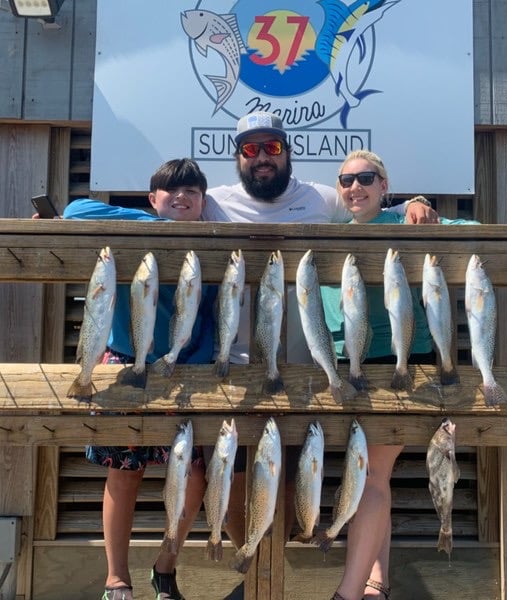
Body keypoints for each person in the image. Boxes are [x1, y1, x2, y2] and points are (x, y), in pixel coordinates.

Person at [202, 114, 441, 597]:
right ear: (237, 157)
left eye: (270, 146)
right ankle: (252, 572)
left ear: (287, 151)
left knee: (302, 482)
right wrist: (62, 218)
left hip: (306, 368)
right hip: (230, 367)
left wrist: (416, 203)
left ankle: (328, 579)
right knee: (231, 485)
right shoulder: (213, 203)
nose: (262, 157)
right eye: (250, 150)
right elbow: (160, 213)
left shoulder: (322, 198)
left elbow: (375, 210)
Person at [323, 150, 479, 600]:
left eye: (366, 178)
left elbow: (474, 234)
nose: (355, 187)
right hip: (346, 368)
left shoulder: (405, 223)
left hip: (399, 366)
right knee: (375, 476)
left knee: (370, 475)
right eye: (346, 180)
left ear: (383, 186)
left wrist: (422, 206)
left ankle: (349, 593)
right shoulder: (329, 235)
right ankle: (378, 582)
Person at [62, 159, 216, 600]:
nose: (182, 197)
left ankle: (165, 566)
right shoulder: (137, 226)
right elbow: (76, 212)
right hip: (124, 363)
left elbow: (208, 320)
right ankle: (116, 579)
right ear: (152, 198)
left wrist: (193, 365)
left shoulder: (212, 246)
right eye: (171, 191)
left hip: (184, 371)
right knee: (123, 475)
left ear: (204, 203)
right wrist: (149, 222)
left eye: (192, 192)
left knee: (193, 476)